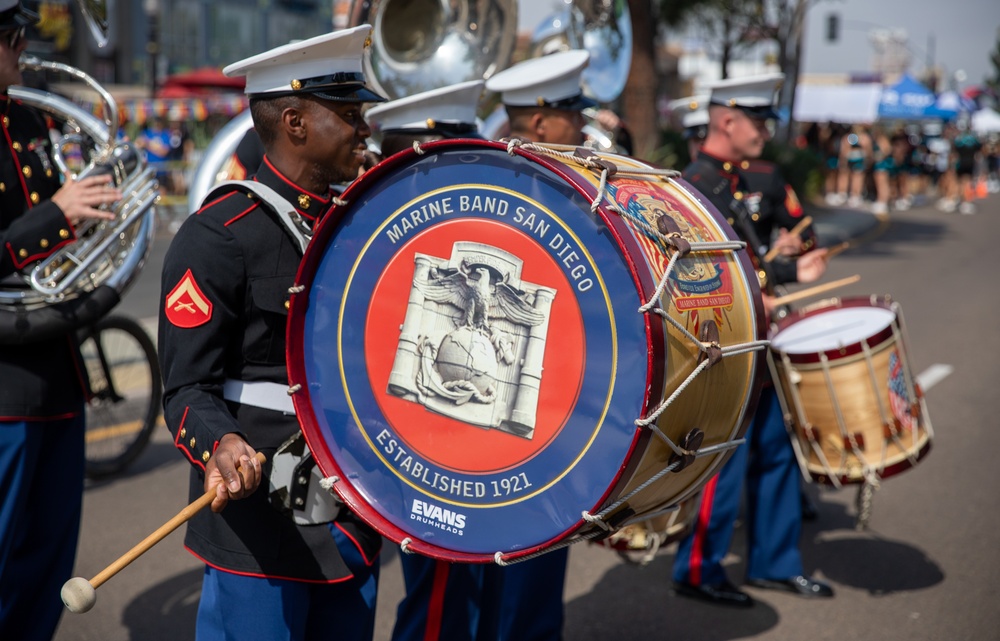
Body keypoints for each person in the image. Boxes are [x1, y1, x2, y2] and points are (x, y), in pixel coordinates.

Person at [157, 26, 387, 641]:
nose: (364, 128)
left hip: (355, 515)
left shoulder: (364, 229)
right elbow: (184, 392)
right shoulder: (220, 234)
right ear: (294, 121)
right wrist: (221, 445)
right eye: (349, 113)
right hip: (262, 529)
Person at [670, 72, 834, 608]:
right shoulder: (691, 185)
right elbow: (683, 277)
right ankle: (698, 568)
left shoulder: (755, 176)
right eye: (758, 121)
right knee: (723, 459)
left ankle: (775, 562)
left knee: (776, 448)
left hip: (767, 338)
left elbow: (771, 253)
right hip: (725, 347)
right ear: (727, 121)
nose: (765, 131)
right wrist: (751, 300)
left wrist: (792, 264)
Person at [0, 2, 122, 639]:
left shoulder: (24, 116)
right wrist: (56, 213)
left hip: (57, 371)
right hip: (4, 384)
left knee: (47, 562)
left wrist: (94, 208)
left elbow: (59, 225)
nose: (22, 49)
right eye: (12, 38)